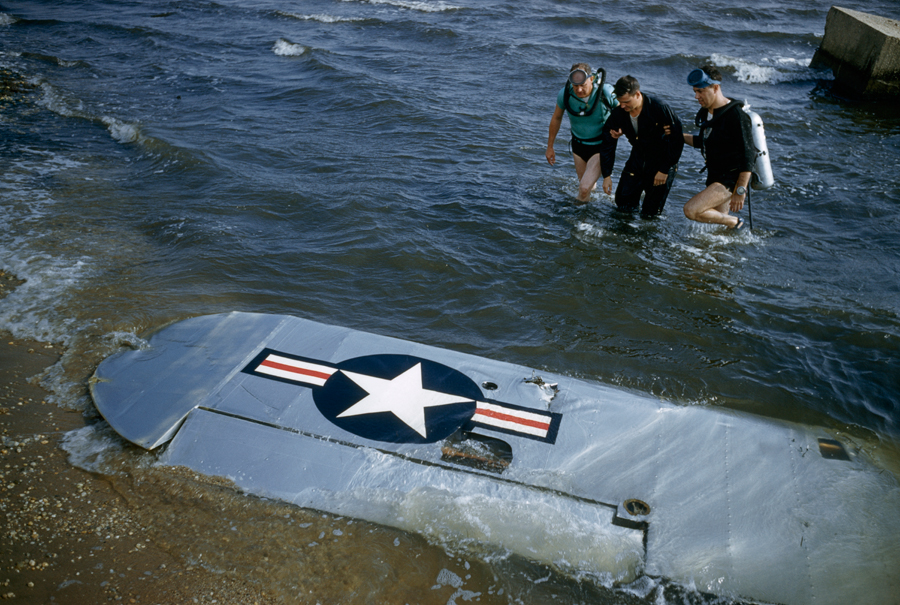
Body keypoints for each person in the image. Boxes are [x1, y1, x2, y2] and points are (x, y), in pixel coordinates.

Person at [681, 65, 757, 230]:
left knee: (691, 210)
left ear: (715, 88)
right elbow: (703, 142)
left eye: (700, 91)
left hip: (729, 181)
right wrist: (678, 136)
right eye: (695, 91)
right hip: (714, 176)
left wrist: (740, 191)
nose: (696, 96)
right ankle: (732, 242)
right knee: (720, 231)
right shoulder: (708, 112)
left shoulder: (736, 116)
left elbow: (749, 155)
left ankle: (736, 223)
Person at [599, 75, 684, 217]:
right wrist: (607, 174)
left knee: (650, 215)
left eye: (626, 101)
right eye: (620, 102)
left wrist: (664, 170)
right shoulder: (620, 112)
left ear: (637, 94)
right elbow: (608, 142)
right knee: (622, 206)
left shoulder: (659, 108)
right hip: (637, 158)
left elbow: (677, 140)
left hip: (661, 162)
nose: (623, 106)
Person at [546, 63, 617, 203]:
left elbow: (626, 109)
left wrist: (620, 129)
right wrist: (550, 146)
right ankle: (588, 219)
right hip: (578, 146)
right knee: (588, 189)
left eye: (583, 85)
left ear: (591, 79)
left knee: (584, 189)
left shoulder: (605, 92)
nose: (579, 90)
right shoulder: (565, 94)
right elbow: (556, 117)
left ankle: (576, 220)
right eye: (575, 86)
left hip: (600, 146)